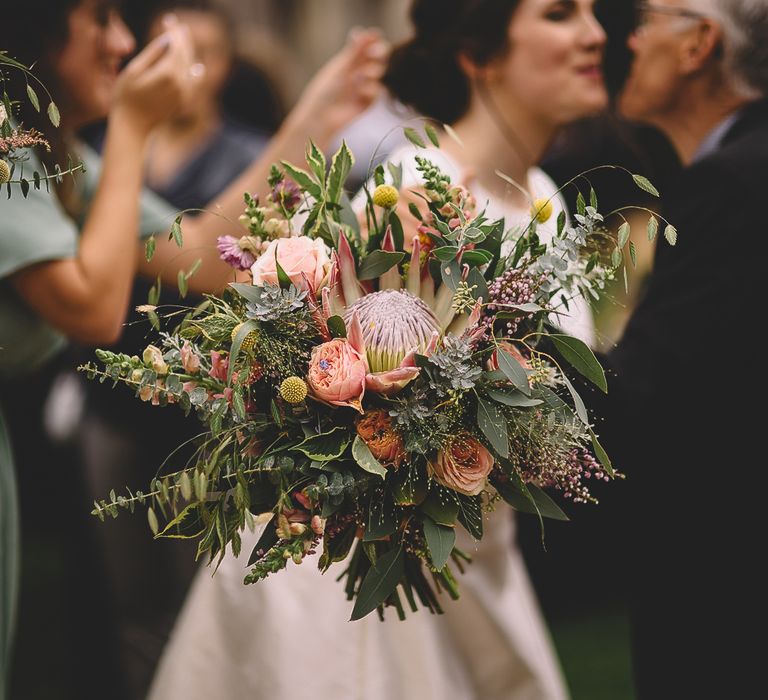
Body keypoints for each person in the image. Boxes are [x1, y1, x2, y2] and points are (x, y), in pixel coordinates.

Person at [148, 2, 607, 699]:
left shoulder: (542, 196)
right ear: (480, 53)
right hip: (363, 561)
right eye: (559, 14)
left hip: (477, 547)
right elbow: (346, 393)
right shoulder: (420, 190)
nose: (595, 33)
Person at [0, 2, 387, 698]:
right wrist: (131, 126)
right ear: (34, 31)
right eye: (99, 19)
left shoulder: (39, 149)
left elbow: (204, 253)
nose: (123, 41)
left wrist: (316, 117)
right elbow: (90, 308)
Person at [593, 1, 767, 697]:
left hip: (726, 575)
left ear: (699, 44)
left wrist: (493, 367)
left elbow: (647, 393)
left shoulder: (735, 185)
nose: (628, 40)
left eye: (649, 20)